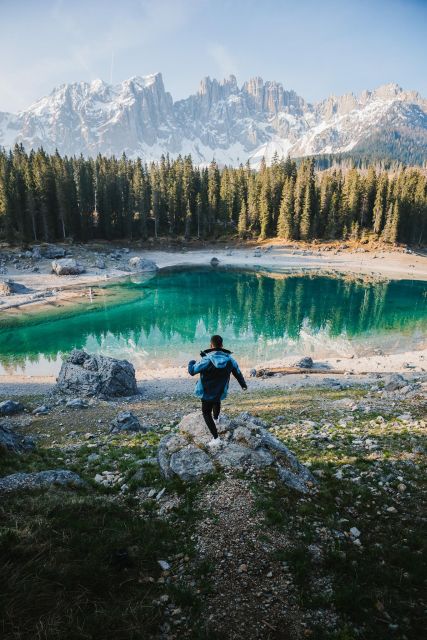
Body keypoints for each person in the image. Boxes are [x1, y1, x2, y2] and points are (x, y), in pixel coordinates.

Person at [188, 335, 247, 448]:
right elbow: (238, 373)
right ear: (222, 345)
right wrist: (243, 385)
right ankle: (216, 418)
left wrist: (191, 362)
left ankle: (216, 438)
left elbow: (192, 371)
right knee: (217, 400)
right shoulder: (230, 360)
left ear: (211, 345)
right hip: (220, 390)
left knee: (206, 413)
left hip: (206, 391)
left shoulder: (206, 360)